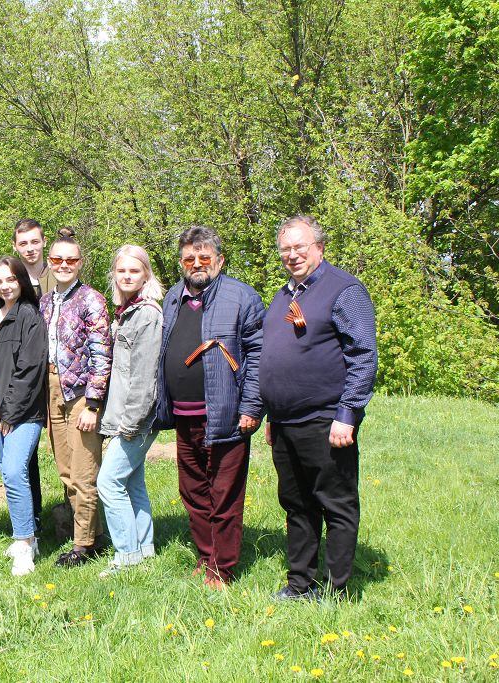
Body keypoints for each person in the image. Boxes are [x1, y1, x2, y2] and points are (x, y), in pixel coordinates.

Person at [261, 215, 377, 600]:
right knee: (297, 504)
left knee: (335, 504)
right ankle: (300, 584)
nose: (292, 255)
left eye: (300, 247)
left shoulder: (344, 290)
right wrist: (272, 414)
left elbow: (363, 356)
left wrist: (347, 415)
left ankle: (335, 591)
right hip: (285, 422)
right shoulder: (284, 295)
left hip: (326, 420)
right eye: (286, 249)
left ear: (319, 248)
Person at [152, 227, 265, 590]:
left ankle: (222, 568)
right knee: (193, 491)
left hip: (225, 414)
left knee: (224, 493)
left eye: (204, 257)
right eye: (190, 258)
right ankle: (205, 556)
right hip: (184, 416)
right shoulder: (173, 297)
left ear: (220, 260)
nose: (197, 264)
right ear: (181, 262)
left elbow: (258, 355)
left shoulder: (241, 297)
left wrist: (252, 407)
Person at [40, 230, 112, 567]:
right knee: (66, 471)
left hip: (81, 395)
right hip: (53, 389)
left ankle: (84, 545)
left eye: (71, 260)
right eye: (57, 259)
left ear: (80, 263)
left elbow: (102, 354)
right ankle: (93, 534)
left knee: (84, 473)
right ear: (50, 262)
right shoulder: (46, 301)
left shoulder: (91, 300)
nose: (64, 265)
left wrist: (94, 404)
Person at [96, 245, 164, 577]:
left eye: (134, 271)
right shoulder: (126, 311)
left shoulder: (147, 314)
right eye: (121, 270)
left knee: (108, 482)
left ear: (146, 275)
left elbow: (145, 376)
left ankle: (126, 555)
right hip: (126, 415)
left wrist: (130, 423)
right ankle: (144, 550)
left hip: (137, 418)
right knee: (133, 482)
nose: (126, 276)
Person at [0, 256, 48, 576]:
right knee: (7, 470)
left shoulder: (29, 316)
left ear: (21, 279)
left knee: (13, 470)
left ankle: (24, 543)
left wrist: (8, 411)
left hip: (22, 407)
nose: (5, 286)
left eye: (11, 279)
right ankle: (26, 535)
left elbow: (29, 369)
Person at [11, 218, 52, 532]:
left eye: (34, 242)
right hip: (26, 375)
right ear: (15, 246)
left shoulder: (59, 273)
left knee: (68, 450)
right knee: (27, 452)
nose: (29, 249)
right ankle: (33, 515)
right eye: (23, 243)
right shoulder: (12, 280)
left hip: (58, 374)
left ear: (43, 242)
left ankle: (76, 515)